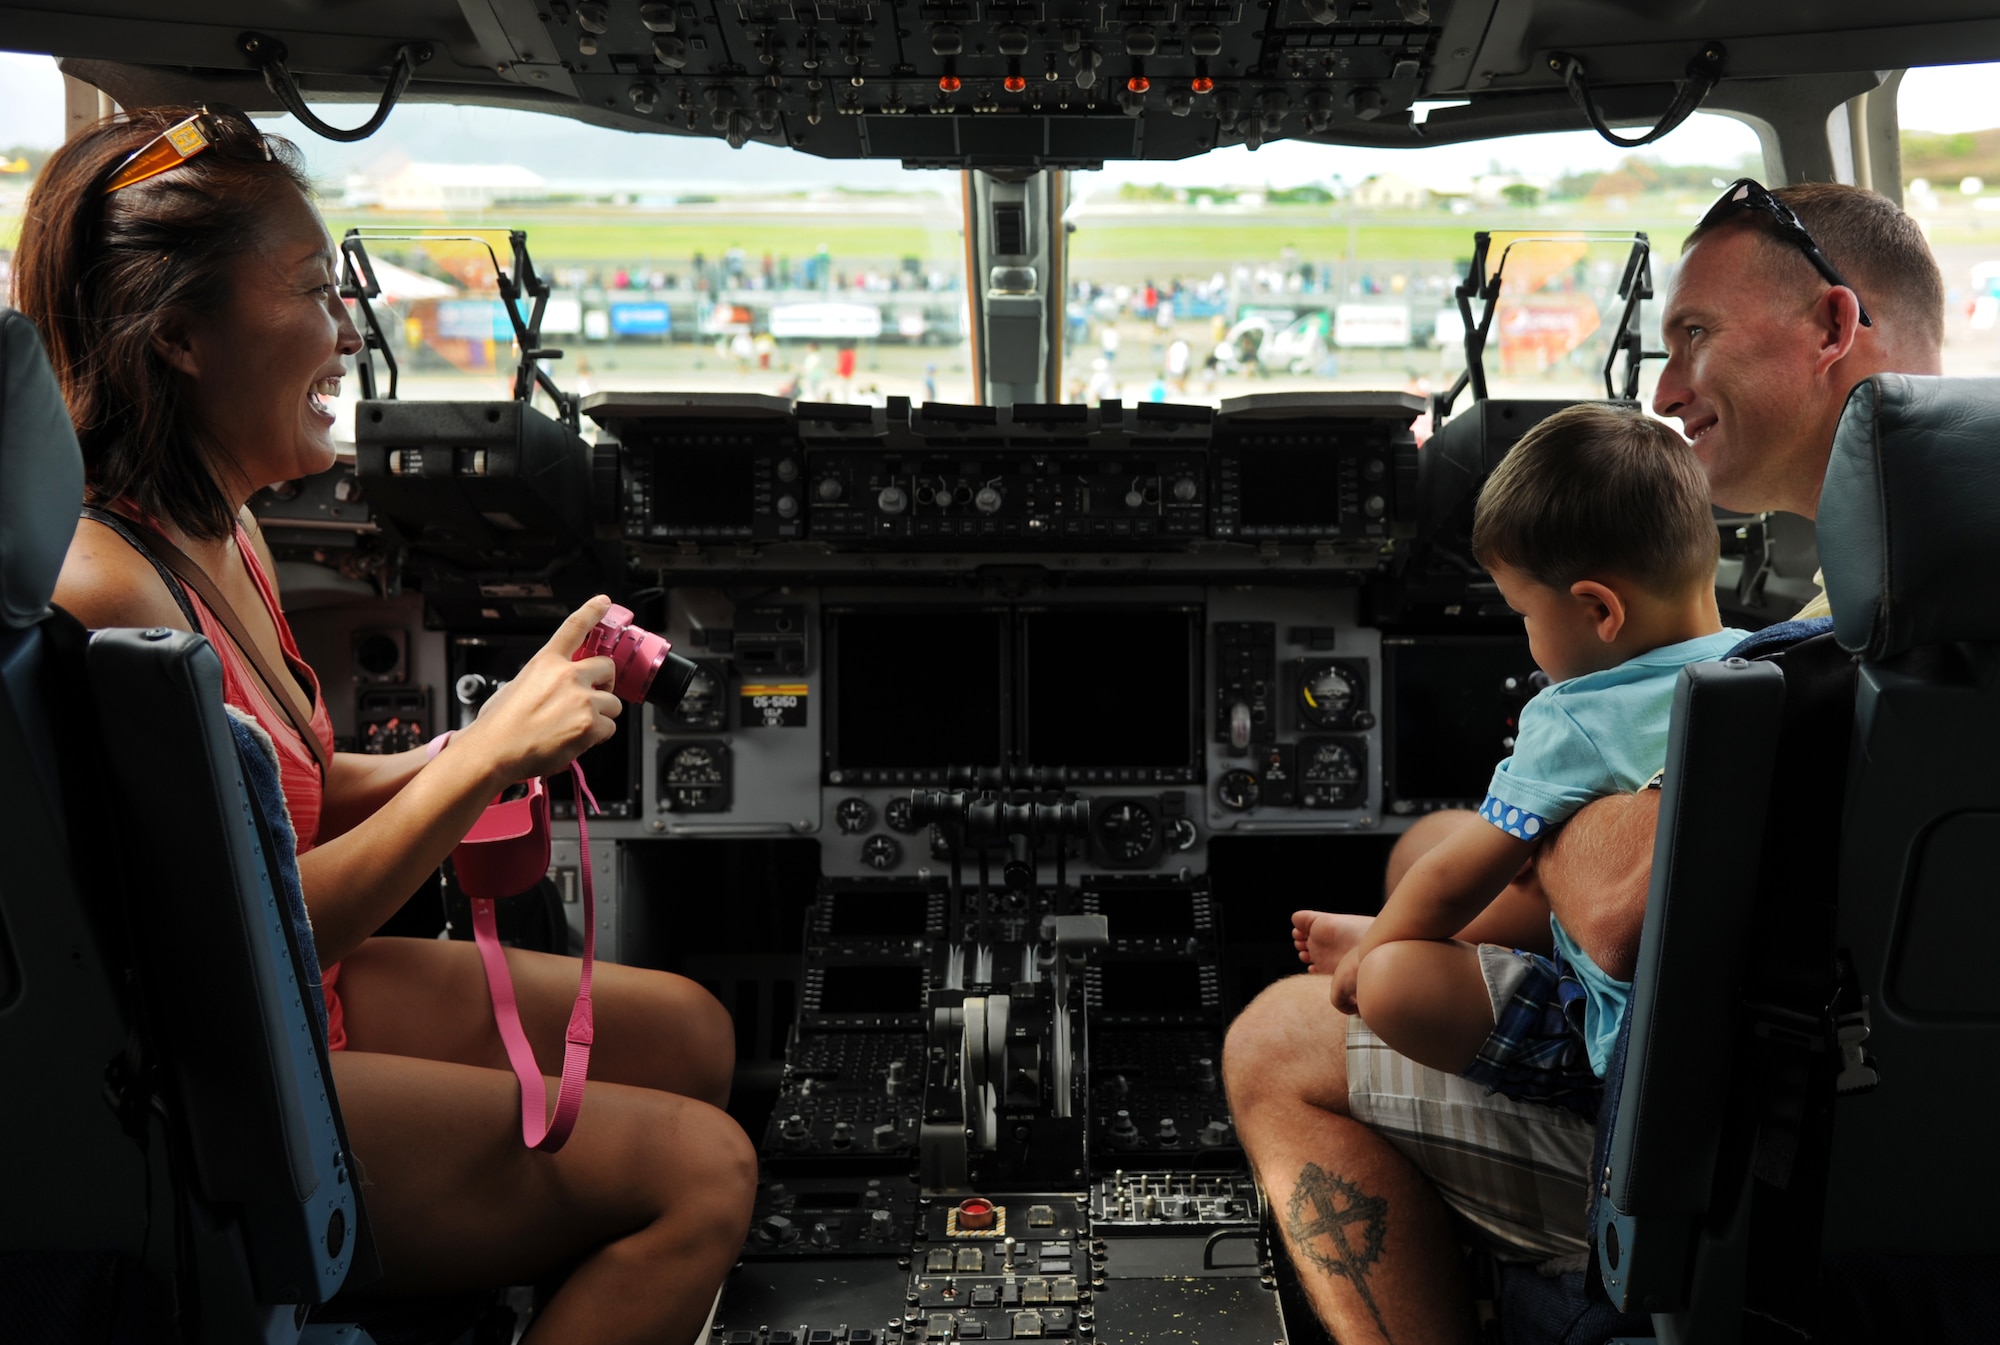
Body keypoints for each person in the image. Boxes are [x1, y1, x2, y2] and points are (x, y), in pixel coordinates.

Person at [16, 106, 755, 1345]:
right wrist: (484, 761)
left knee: (692, 1031)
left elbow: (281, 790)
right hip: (236, 1078)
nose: (346, 326)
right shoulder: (111, 594)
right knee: (703, 1175)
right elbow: (240, 941)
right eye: (312, 289)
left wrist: (477, 739)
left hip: (302, 1003)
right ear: (184, 337)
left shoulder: (217, 522)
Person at [1222, 179, 1944, 1345]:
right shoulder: (1928, 587)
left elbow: (1613, 908)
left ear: (1830, 326)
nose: (1661, 391)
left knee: (1273, 1034)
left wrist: (1545, 793)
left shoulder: (1843, 639)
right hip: (1892, 1125)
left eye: (1692, 338)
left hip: (1750, 1163)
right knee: (1431, 849)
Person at [1301, 403, 1747, 1117]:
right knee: (1464, 852)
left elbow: (1457, 876)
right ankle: (1395, 928)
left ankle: (1380, 934)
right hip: (1725, 1019)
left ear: (1600, 610)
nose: (1525, 637)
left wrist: (1370, 952)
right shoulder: (1768, 662)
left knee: (1393, 977)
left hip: (1617, 1046)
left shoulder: (1577, 713)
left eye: (1524, 614)